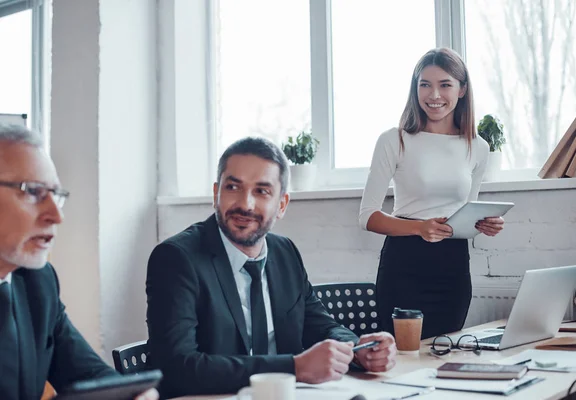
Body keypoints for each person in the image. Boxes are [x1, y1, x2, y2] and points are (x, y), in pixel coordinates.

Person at [146, 137, 396, 397]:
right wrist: (293, 367)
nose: (246, 204)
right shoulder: (176, 259)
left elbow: (319, 325)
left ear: (282, 205)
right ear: (215, 194)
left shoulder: (284, 252)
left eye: (261, 191)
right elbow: (177, 367)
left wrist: (357, 349)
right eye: (233, 187)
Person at [0, 124, 158, 400]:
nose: (56, 216)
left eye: (55, 195)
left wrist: (129, 396)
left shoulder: (38, 281)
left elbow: (89, 375)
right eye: (34, 192)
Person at [359, 48, 505, 340]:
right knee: (404, 357)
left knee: (446, 353)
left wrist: (481, 224)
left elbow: (465, 213)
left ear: (462, 89)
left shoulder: (478, 147)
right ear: (415, 89)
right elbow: (368, 217)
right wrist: (419, 228)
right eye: (425, 84)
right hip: (404, 265)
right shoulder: (394, 139)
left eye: (445, 85)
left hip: (453, 267)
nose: (433, 94)